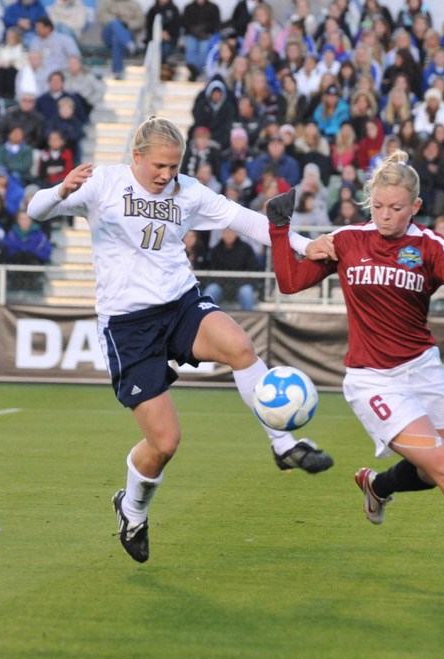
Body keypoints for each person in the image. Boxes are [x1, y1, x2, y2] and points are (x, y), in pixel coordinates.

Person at [26, 117, 337, 564]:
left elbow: (247, 221)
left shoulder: (186, 190)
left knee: (240, 347)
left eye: (174, 166)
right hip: (129, 327)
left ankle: (283, 445)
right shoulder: (102, 185)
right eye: (159, 166)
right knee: (165, 443)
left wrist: (306, 247)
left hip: (179, 305)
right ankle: (131, 508)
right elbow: (35, 210)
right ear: (135, 156)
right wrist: (60, 190)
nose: (167, 175)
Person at [266, 150, 444, 588]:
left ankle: (377, 487)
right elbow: (290, 282)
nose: (384, 215)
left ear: (415, 206)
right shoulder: (347, 240)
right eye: (377, 206)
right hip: (372, 379)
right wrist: (279, 228)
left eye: (396, 208)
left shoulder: (429, 246)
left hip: (423, 368)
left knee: (439, 469)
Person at [202, 228, 260, 310]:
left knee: (246, 292)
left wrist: (240, 281)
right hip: (221, 285)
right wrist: (223, 282)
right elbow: (212, 270)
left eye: (231, 232)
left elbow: (253, 269)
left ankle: (250, 320)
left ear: (236, 234)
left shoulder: (246, 248)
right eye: (226, 232)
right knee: (211, 290)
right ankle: (204, 317)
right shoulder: (216, 249)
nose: (228, 235)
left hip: (241, 284)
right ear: (222, 234)